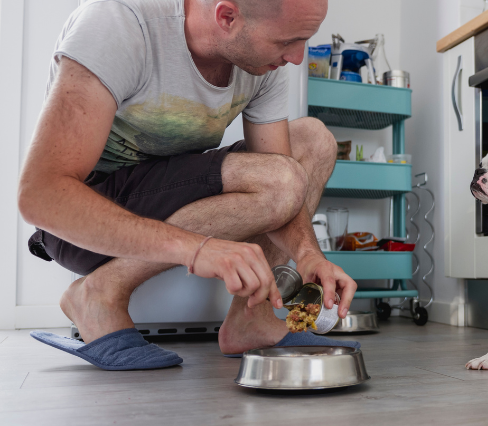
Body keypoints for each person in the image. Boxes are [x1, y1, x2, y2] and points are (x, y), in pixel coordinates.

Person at [19, 0, 360, 370]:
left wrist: (307, 253)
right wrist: (196, 249)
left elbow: (284, 182)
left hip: (166, 187)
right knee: (280, 178)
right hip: (83, 223)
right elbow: (41, 195)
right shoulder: (119, 23)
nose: (297, 57)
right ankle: (100, 293)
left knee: (313, 142)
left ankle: (252, 320)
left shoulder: (262, 61)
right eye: (287, 42)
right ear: (227, 17)